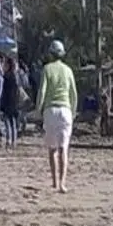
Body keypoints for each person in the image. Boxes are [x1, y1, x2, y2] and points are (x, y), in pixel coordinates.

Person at [39, 39, 77, 193]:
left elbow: (42, 91)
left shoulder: (47, 69)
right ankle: (62, 183)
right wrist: (73, 112)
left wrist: (38, 109)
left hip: (50, 110)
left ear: (50, 54)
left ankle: (54, 181)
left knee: (52, 149)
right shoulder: (68, 70)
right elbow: (73, 94)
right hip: (65, 110)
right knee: (63, 148)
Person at [0, 53, 24, 147]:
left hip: (8, 101)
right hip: (14, 102)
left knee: (7, 122)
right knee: (13, 122)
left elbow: (3, 91)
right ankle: (14, 141)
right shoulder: (16, 77)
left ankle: (9, 140)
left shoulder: (6, 77)